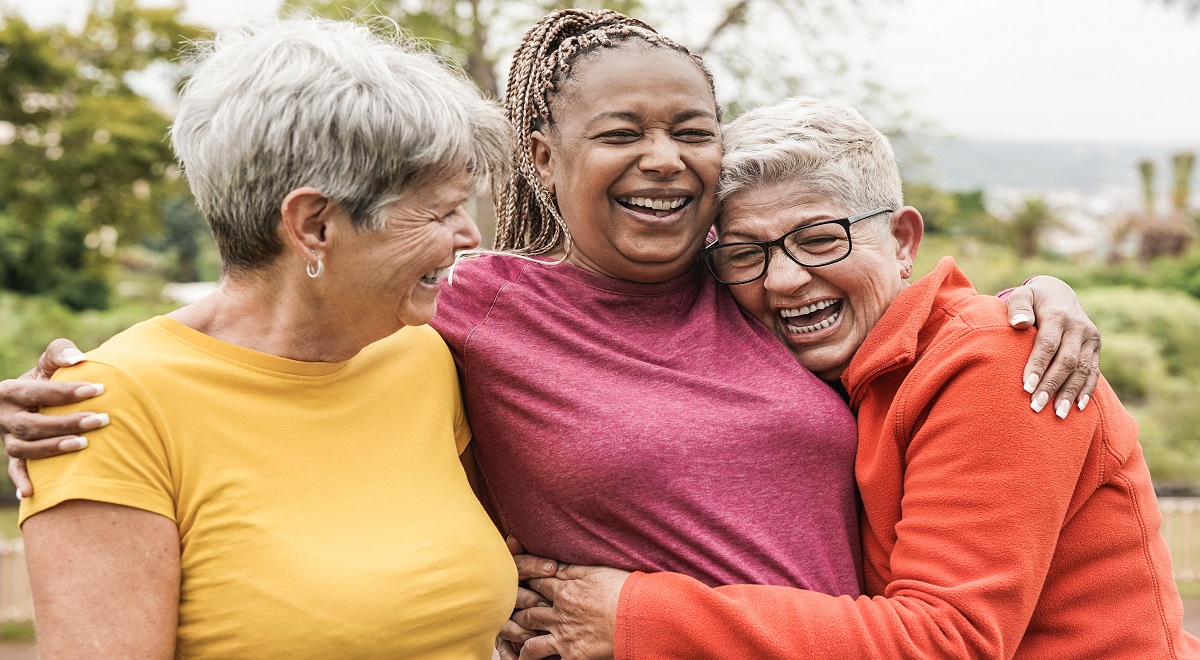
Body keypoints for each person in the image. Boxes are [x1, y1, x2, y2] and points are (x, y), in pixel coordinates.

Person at [1, 8, 1102, 654]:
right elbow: (263, 328)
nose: (665, 158)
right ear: (542, 160)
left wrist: (1035, 297)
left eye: (692, 131)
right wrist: (75, 386)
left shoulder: (749, 281)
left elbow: (874, 288)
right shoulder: (464, 313)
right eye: (621, 131)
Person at [507, 96, 1200, 659]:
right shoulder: (835, 360)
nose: (783, 280)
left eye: (820, 239)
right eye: (748, 253)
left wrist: (634, 615)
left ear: (902, 241)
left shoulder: (996, 362)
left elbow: (945, 640)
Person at [13, 18, 519, 658]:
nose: (468, 236)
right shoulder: (105, 409)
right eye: (442, 210)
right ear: (313, 225)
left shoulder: (421, 352)